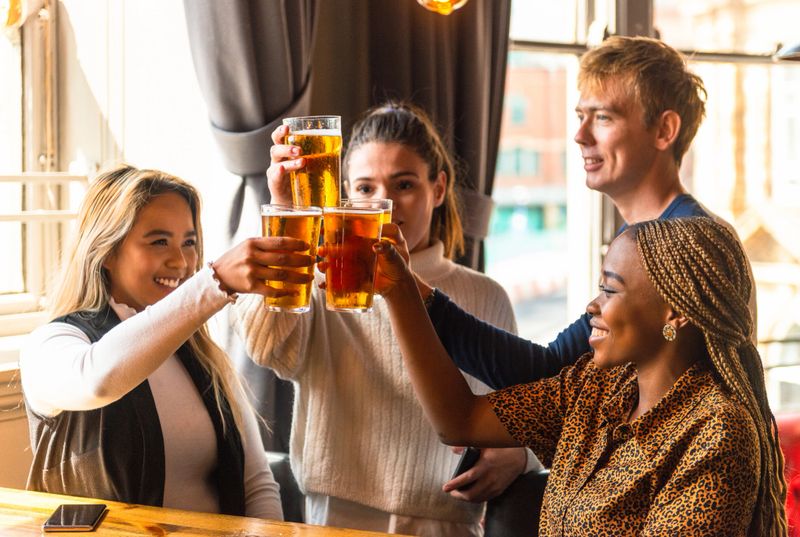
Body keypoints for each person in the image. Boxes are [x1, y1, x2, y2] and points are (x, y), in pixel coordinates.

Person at [372, 216, 787, 536]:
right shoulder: (598, 386)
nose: (593, 305)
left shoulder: (717, 432)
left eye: (610, 289)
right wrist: (398, 290)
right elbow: (459, 419)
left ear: (673, 312)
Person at [231, 102, 536, 536]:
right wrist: (286, 212)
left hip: (444, 524)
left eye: (404, 184)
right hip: (334, 520)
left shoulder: (485, 296)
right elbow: (263, 347)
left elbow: (534, 410)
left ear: (439, 187)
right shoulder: (321, 283)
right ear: (344, 196)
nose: (383, 203)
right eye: (365, 188)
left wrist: (521, 454)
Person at [422, 35, 758, 390]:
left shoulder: (687, 243)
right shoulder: (641, 237)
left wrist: (413, 294)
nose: (580, 136)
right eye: (581, 116)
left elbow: (543, 374)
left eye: (602, 117)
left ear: (664, 130)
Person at [19, 164, 313, 519]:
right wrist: (213, 283)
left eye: (189, 242)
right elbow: (97, 380)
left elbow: (257, 485)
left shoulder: (204, 358)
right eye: (159, 241)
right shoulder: (51, 344)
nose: (182, 261)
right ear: (107, 252)